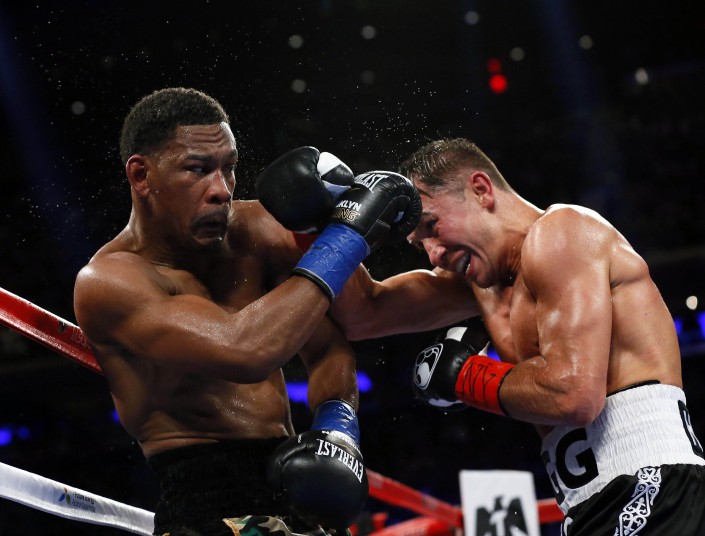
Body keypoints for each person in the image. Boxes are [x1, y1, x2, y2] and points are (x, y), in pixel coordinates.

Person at [72, 87, 420, 536]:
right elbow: (245, 351)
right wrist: (348, 237)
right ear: (141, 175)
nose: (221, 190)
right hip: (205, 509)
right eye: (198, 169)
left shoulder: (253, 233)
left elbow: (327, 347)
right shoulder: (110, 281)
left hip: (299, 495)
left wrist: (336, 428)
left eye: (229, 168)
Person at [319, 138, 705, 535]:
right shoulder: (480, 283)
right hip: (589, 504)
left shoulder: (563, 233)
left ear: (481, 190)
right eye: (421, 245)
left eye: (433, 226)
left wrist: (464, 377)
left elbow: (573, 394)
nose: (433, 254)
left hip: (652, 484)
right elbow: (362, 315)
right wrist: (330, 225)